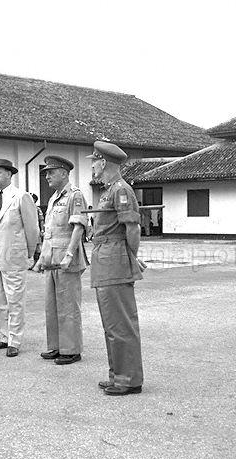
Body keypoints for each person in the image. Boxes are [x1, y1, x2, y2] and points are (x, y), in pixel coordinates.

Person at [87, 140, 144, 396]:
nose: (92, 166)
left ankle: (129, 378)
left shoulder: (121, 190)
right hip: (105, 259)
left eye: (94, 161)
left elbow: (132, 228)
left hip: (115, 260)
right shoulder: (109, 190)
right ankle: (117, 374)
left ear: (104, 162)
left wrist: (131, 257)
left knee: (121, 322)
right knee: (111, 322)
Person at [32, 156, 88, 365]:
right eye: (46, 172)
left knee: (68, 304)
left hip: (66, 255)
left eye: (51, 172)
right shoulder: (55, 197)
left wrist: (70, 254)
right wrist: (41, 259)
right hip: (51, 256)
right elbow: (49, 233)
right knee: (52, 304)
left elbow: (78, 227)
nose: (47, 176)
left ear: (64, 173)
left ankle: (71, 349)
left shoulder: (75, 196)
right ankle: (56, 346)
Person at [0, 158, 40, 357]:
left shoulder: (21, 196)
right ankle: (4, 336)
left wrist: (29, 254)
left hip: (15, 256)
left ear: (9, 174)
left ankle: (15, 340)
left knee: (15, 300)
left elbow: (32, 228)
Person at [30, 193, 45, 268]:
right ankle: (34, 263)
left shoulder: (37, 209)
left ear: (34, 200)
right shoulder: (27, 208)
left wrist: (42, 230)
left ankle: (39, 264)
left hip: (36, 231)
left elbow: (41, 220)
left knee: (37, 248)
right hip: (29, 231)